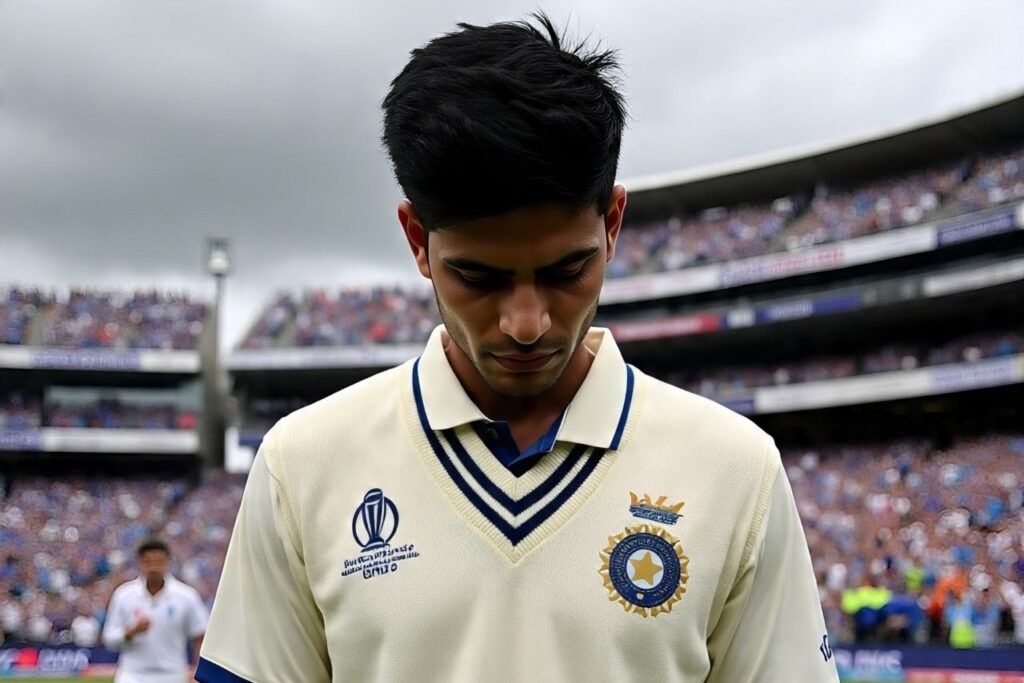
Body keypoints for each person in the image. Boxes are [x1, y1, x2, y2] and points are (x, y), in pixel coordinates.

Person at [197, 12, 838, 683]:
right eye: (479, 276)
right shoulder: (303, 464)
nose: (527, 322)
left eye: (566, 271)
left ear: (613, 222)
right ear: (418, 239)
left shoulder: (734, 469)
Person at [101, 539, 207, 683]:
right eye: (148, 562)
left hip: (172, 675)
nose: (153, 567)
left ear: (169, 562)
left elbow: (200, 636)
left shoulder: (186, 596)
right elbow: (109, 639)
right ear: (139, 562)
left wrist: (198, 673)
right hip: (132, 675)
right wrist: (131, 632)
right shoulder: (124, 595)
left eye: (159, 562)